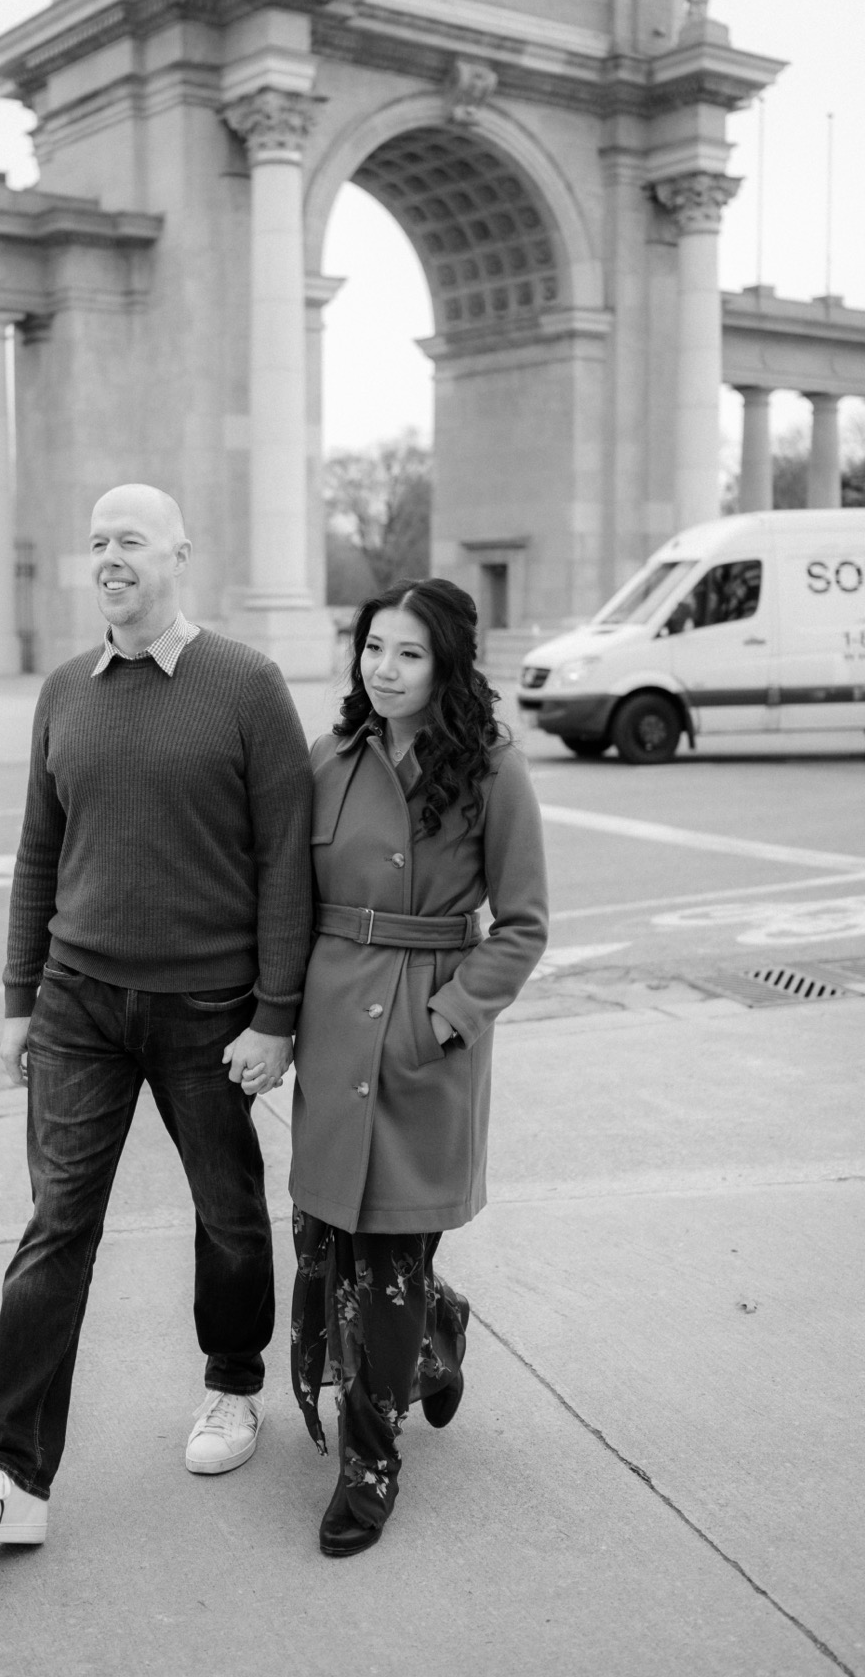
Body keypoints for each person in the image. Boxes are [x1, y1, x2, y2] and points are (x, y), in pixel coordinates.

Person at [0, 484, 313, 1546]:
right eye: (97, 543)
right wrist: (16, 998)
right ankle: (9, 1478)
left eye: (129, 539)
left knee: (227, 1213)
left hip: (210, 1010)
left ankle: (231, 1381)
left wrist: (275, 1015)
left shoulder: (246, 686)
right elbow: (39, 848)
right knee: (56, 1229)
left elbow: (283, 866)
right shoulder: (65, 691)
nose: (110, 558)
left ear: (180, 553)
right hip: (78, 1003)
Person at [289, 577, 548, 1556]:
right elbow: (285, 898)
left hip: (424, 1036)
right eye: (370, 649)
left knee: (390, 1255)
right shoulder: (329, 759)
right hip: (332, 1026)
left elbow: (522, 926)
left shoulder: (489, 768)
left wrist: (443, 1020)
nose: (382, 670)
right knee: (343, 1247)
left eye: (405, 653)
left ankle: (369, 1467)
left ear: (443, 665)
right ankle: (437, 1333)